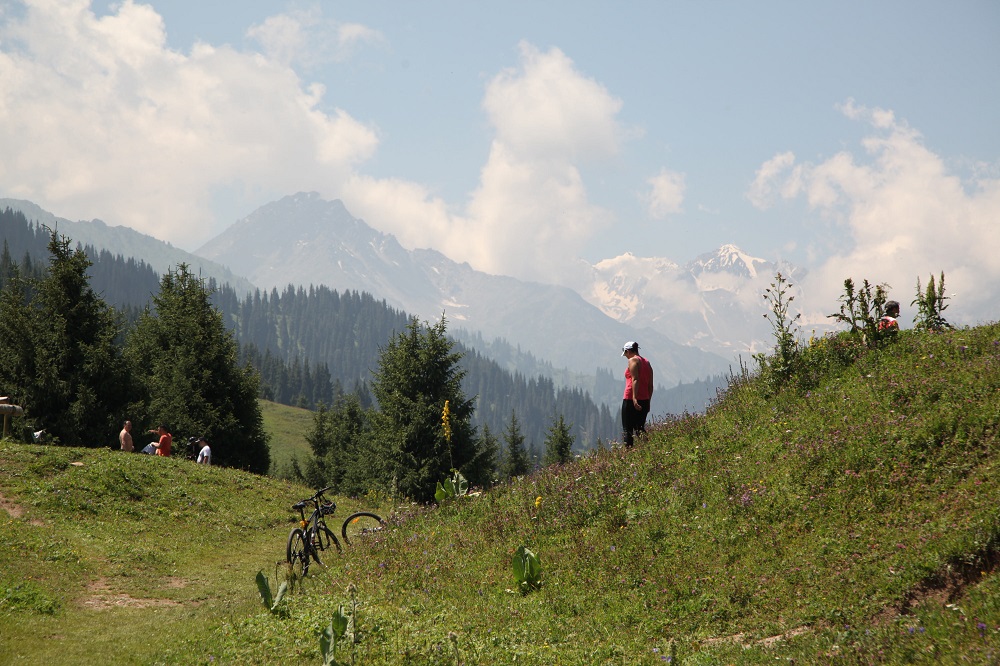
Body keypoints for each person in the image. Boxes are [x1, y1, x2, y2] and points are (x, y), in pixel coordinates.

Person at [621, 341, 654, 448]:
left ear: (628, 351)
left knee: (627, 429)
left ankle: (628, 453)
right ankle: (648, 448)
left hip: (630, 399)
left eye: (625, 353)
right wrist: (648, 401)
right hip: (644, 399)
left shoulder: (633, 360)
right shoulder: (647, 363)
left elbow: (635, 379)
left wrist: (634, 398)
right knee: (639, 427)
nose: (626, 356)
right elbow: (650, 385)